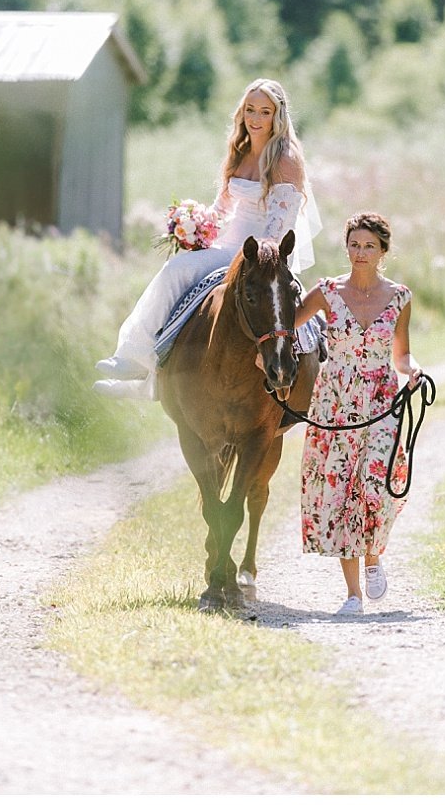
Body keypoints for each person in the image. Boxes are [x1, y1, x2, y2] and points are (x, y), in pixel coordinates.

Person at [94, 78, 321, 399]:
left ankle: (137, 360)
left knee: (178, 270)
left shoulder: (285, 158)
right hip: (227, 244)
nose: (255, 119)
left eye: (264, 112)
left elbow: (279, 228)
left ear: (278, 116)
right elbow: (221, 209)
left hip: (259, 256)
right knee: (178, 270)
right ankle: (138, 362)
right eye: (250, 110)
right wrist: (195, 224)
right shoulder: (240, 152)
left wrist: (254, 259)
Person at [292, 212, 422, 615]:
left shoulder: (400, 297)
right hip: (336, 399)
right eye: (354, 244)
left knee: (376, 484)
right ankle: (352, 595)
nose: (360, 253)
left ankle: (373, 557)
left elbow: (401, 355)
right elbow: (285, 328)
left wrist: (413, 371)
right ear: (346, 247)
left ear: (383, 251)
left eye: (369, 246)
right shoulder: (326, 292)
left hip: (381, 397)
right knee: (340, 488)